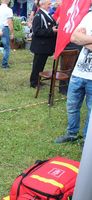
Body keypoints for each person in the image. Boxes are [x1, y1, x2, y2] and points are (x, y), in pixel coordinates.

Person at [55, 4, 92, 144]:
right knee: (72, 106)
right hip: (78, 73)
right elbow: (74, 37)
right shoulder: (89, 16)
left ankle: (87, 139)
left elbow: (80, 39)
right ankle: (71, 134)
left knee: (91, 111)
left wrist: (84, 39)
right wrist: (81, 39)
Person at [29, 0, 57, 88]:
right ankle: (34, 82)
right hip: (40, 46)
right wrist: (51, 30)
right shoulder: (39, 15)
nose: (50, 5)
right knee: (37, 65)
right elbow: (36, 31)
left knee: (41, 65)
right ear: (42, 4)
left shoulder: (46, 14)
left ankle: (38, 80)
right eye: (49, 4)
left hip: (44, 46)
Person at [0, 0, 14, 69]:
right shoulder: (9, 10)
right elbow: (10, 22)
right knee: (6, 47)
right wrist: (12, 33)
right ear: (8, 1)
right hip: (5, 28)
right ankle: (4, 64)